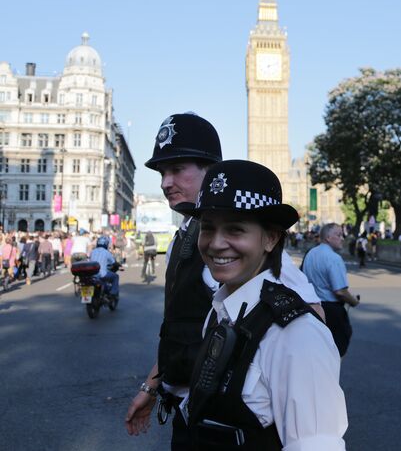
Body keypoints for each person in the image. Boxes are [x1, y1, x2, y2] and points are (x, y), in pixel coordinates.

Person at [125, 113, 323, 449]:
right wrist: (151, 386)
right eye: (161, 172)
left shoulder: (237, 250)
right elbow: (182, 330)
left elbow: (313, 318)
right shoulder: (185, 238)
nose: (164, 182)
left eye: (176, 169)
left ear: (210, 171)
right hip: (189, 416)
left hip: (232, 430)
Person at [187, 160, 347, 449]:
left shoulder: (298, 336)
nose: (216, 243)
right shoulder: (218, 311)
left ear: (271, 239)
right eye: (207, 228)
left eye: (235, 230)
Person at [303, 223, 360, 357]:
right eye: (338, 235)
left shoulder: (310, 254)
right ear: (328, 237)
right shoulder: (334, 258)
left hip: (312, 307)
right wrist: (354, 302)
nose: (342, 238)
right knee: (336, 350)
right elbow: (340, 291)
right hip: (332, 311)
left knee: (317, 350)